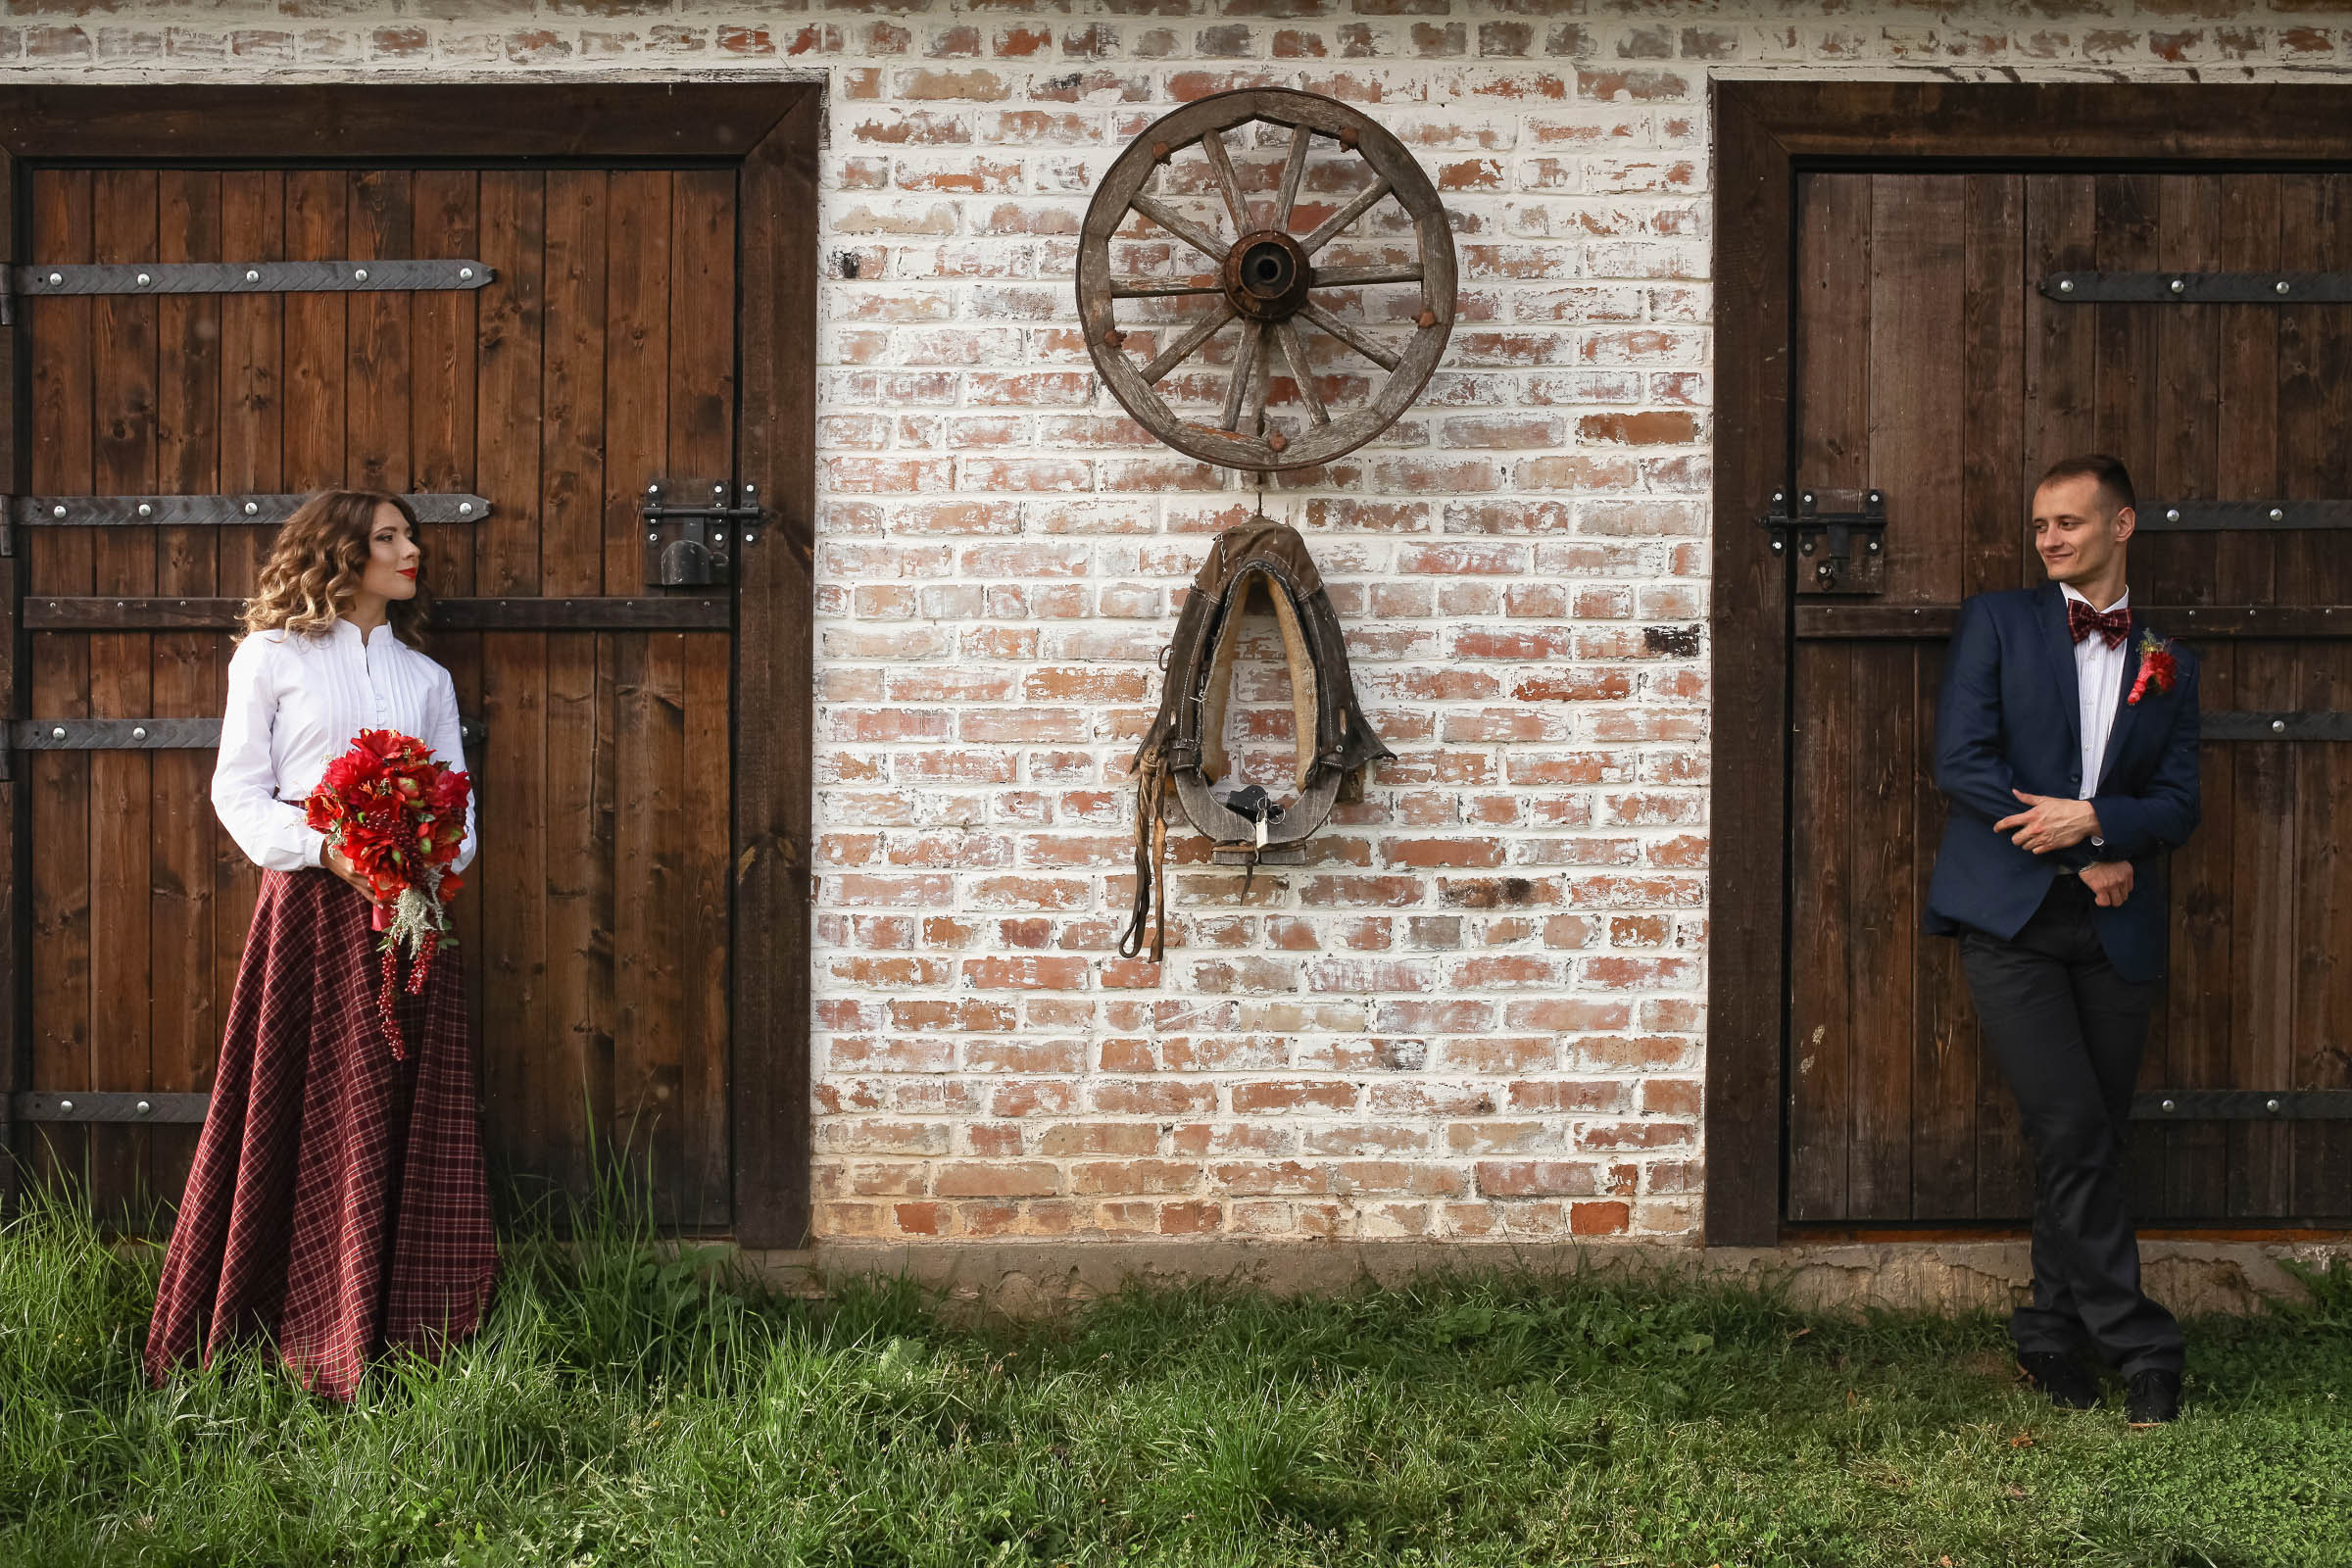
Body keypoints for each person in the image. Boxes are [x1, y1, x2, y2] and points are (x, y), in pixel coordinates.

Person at [144, 491, 495, 1402]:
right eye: (389, 537)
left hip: (407, 915)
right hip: (308, 905)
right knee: (296, 1099)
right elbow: (240, 793)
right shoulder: (271, 656)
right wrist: (330, 849)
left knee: (394, 1103)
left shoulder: (426, 679)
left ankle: (392, 1322)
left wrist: (413, 859)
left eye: (408, 536)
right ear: (342, 552)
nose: (411, 549)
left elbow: (459, 808)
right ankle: (284, 1318)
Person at [1924, 454, 2200, 1428]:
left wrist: (2104, 824)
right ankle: (2144, 1346)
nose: (2049, 540)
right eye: (2041, 524)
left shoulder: (2167, 656)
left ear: (2123, 526)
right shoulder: (1998, 621)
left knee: (2087, 1136)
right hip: (2010, 919)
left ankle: (2049, 1330)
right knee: (2073, 1129)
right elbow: (1961, 762)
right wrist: (2077, 851)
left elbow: (2178, 803)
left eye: (2070, 523)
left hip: (2118, 931)